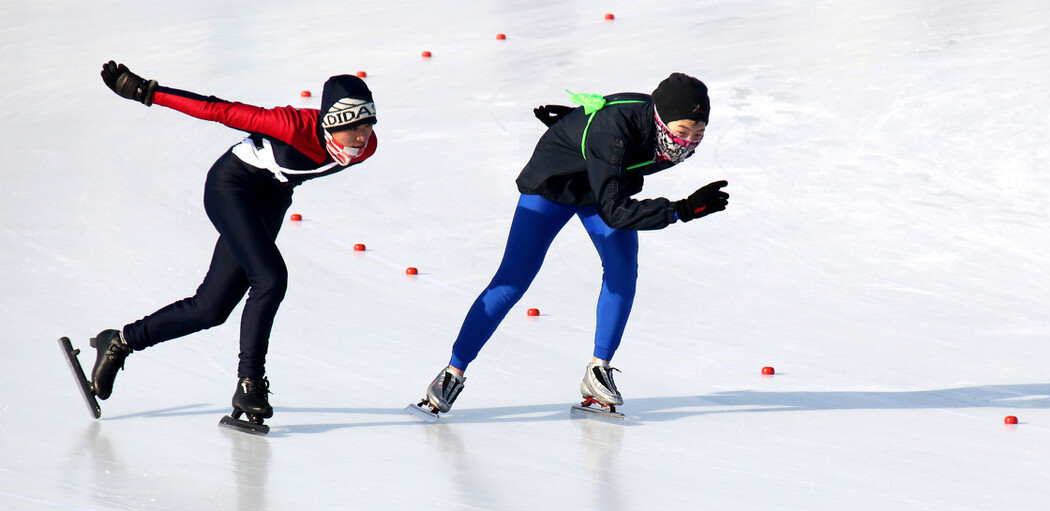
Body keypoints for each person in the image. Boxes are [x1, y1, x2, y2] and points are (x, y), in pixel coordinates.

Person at [417, 72, 728, 416]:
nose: (686, 142)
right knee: (513, 280)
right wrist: (680, 210)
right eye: (682, 132)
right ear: (659, 116)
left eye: (698, 135)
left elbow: (613, 142)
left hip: (603, 184)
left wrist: (576, 125)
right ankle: (449, 375)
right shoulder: (617, 131)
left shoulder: (656, 128)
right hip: (555, 186)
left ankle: (599, 372)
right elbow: (615, 209)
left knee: (623, 273)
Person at [86, 61, 378, 422]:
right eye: (354, 127)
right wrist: (147, 92)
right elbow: (218, 109)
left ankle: (119, 342)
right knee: (270, 279)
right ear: (332, 123)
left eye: (367, 125)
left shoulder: (366, 148)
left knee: (211, 308)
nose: (363, 136)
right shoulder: (289, 126)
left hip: (272, 199)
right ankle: (250, 382)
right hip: (233, 186)